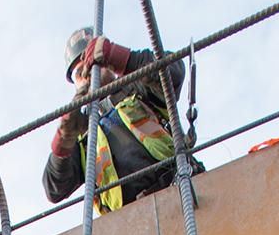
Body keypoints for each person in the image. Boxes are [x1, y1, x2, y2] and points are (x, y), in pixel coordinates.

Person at [44, 28, 185, 212]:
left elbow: (173, 72)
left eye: (92, 64)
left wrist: (121, 57)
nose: (88, 74)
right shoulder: (82, 133)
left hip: (176, 189)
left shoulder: (138, 86)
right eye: (79, 73)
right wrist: (65, 137)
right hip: (125, 222)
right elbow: (54, 188)